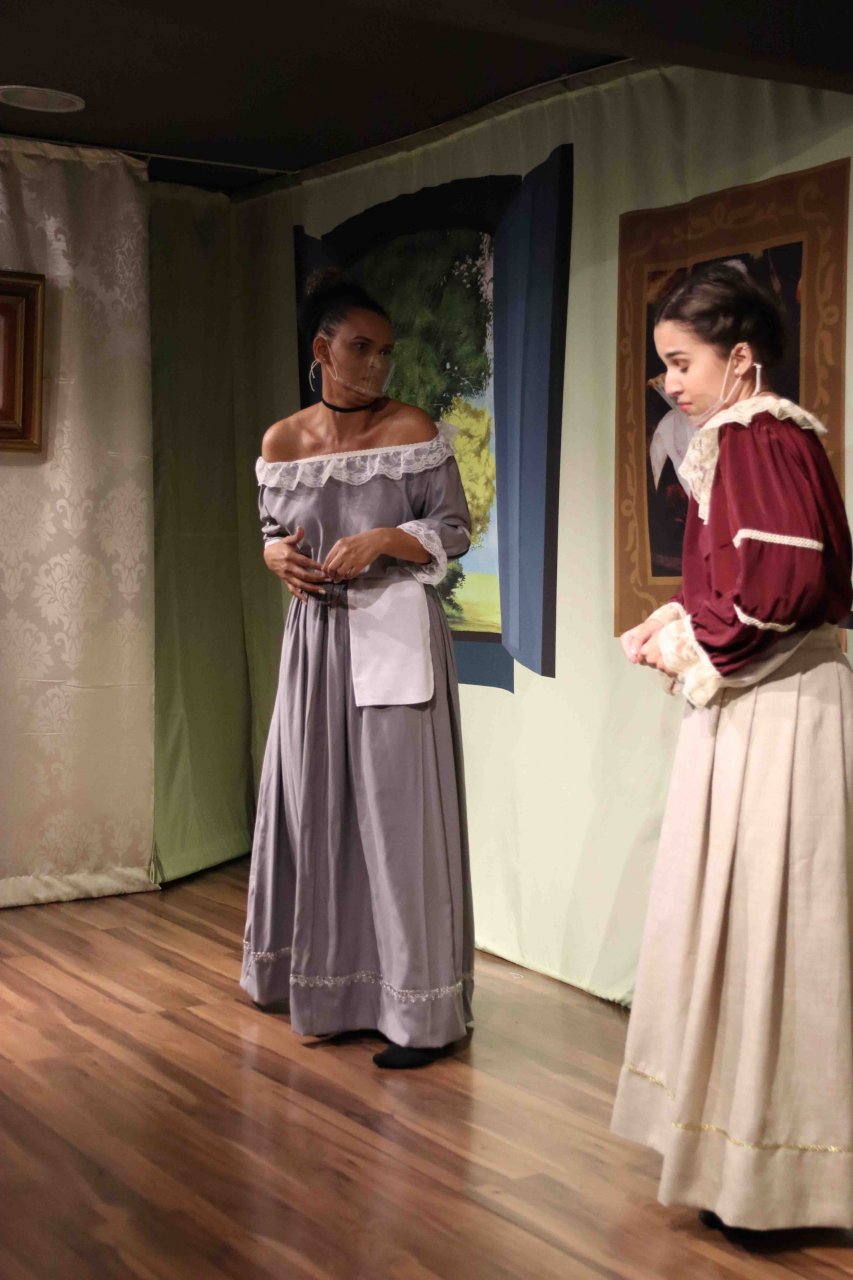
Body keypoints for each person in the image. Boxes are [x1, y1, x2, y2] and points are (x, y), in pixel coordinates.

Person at [611, 262, 853, 1230]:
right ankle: (743, 1164)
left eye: (682, 362)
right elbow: (755, 584)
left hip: (780, 714)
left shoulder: (754, 433)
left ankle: (777, 1176)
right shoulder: (765, 437)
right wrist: (680, 620)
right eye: (664, 365)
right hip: (767, 704)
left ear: (739, 357)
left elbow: (778, 590)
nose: (670, 383)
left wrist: (686, 642)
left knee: (774, 925)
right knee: (755, 926)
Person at [240, 270, 475, 1069]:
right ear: (322, 349)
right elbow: (273, 530)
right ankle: (337, 994)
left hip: (395, 633)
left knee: (398, 819)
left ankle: (418, 1015)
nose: (377, 365)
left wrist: (384, 539)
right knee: (319, 810)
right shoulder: (282, 443)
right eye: (360, 348)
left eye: (385, 351)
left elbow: (454, 528)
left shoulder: (412, 430)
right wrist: (273, 554)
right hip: (315, 645)